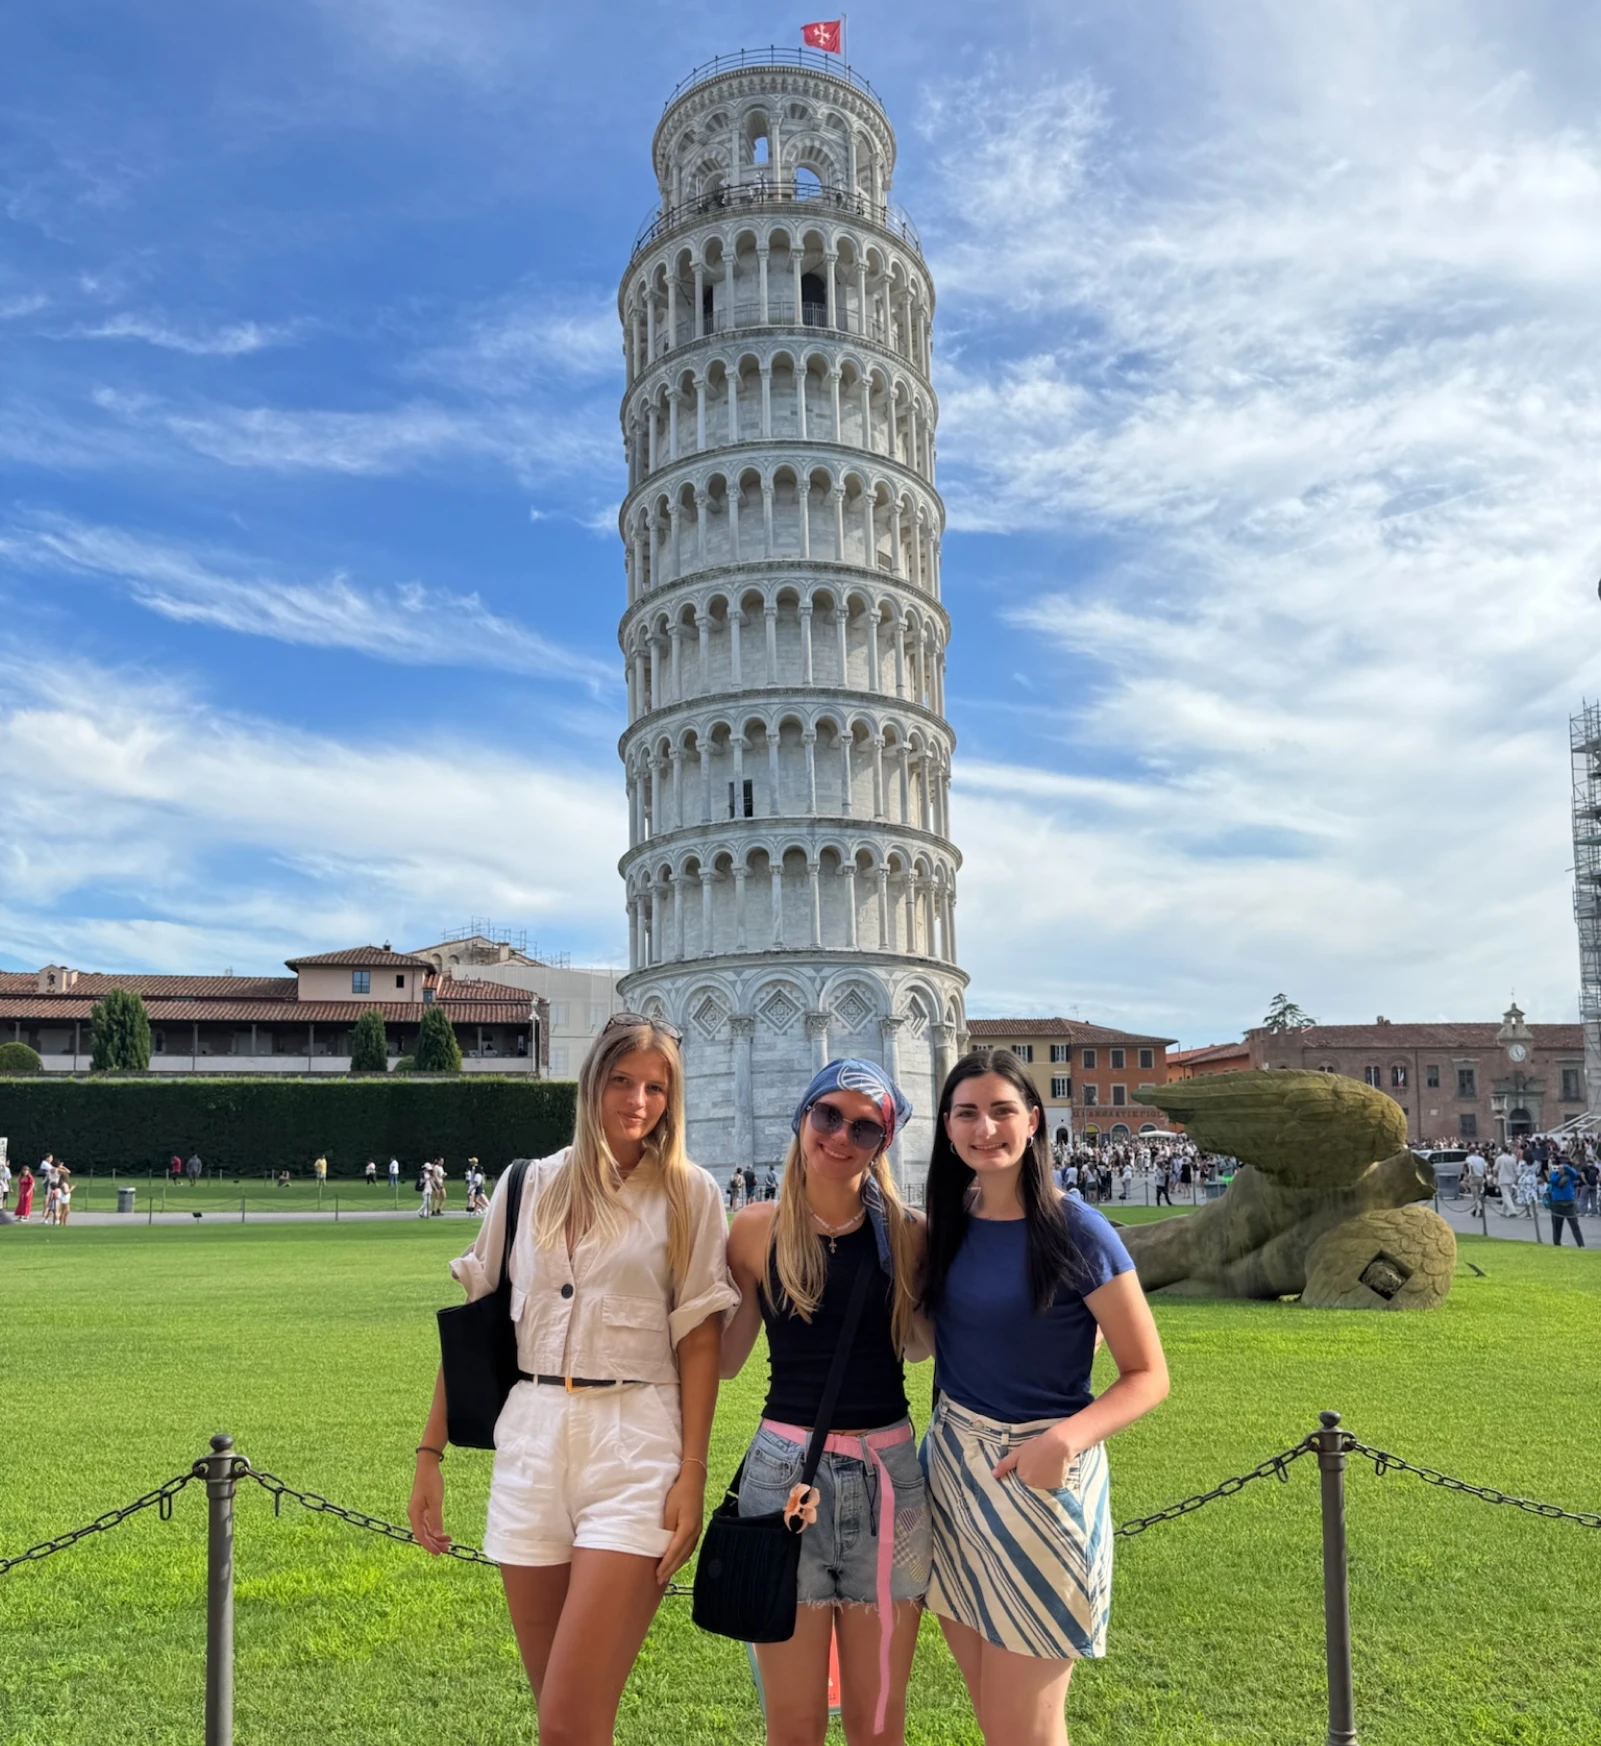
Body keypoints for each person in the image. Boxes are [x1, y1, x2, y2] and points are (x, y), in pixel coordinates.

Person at [408, 1014, 735, 1743]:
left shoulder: (690, 1194)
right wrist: (428, 1457)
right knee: (558, 1709)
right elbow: (473, 1327)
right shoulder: (526, 1184)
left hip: (635, 1443)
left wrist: (692, 1471)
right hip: (529, 1440)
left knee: (568, 1719)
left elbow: (701, 1343)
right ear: (592, 1082)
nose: (638, 1102)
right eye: (622, 1081)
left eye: (657, 1088)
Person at [920, 1049, 1169, 1746]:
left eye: (1002, 1110)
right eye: (966, 1112)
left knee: (1021, 1731)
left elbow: (1146, 1372)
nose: (985, 1127)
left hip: (1039, 1479)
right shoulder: (946, 1223)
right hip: (950, 1474)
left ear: (1033, 1121)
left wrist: (1062, 1441)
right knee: (998, 1720)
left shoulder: (1076, 1228)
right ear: (946, 1128)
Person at [720, 1058, 930, 1746]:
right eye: (827, 1116)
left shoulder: (910, 1234)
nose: (840, 1136)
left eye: (864, 1128)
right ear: (802, 1118)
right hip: (783, 1473)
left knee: (877, 1727)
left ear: (882, 1145)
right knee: (794, 1725)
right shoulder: (754, 1229)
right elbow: (725, 1359)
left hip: (886, 1476)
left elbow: (928, 1345)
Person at [1547, 1156, 1585, 1248]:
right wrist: (1559, 1173)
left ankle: (1581, 1245)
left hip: (1569, 1202)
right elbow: (1553, 1181)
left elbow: (1575, 1174)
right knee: (1557, 1226)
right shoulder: (1554, 1173)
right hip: (1557, 1202)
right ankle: (1557, 1243)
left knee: (1574, 1225)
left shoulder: (1570, 1174)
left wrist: (1565, 1168)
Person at [1495, 1147, 1519, 1216]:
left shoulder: (1500, 1158)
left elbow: (1495, 1169)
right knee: (1507, 1195)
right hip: (1511, 1179)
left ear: (1502, 1150)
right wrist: (1516, 1179)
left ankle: (1513, 1210)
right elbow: (1516, 1170)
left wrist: (1494, 1177)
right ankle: (1503, 1210)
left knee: (1506, 1195)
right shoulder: (1512, 1159)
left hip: (1503, 1178)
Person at [1464, 1147, 1488, 1213]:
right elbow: (1485, 1167)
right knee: (1479, 1194)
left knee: (1475, 1195)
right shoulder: (1481, 1159)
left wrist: (1470, 1174)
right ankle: (1475, 1209)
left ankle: (1479, 1208)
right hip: (1481, 1177)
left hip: (1474, 1177)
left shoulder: (1468, 1158)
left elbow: (1470, 1166)